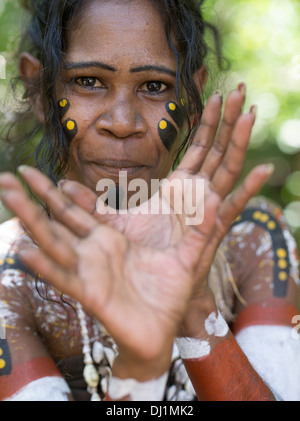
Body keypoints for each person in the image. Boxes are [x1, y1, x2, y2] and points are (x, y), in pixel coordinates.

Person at [0, 0, 299, 402]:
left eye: (155, 86)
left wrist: (194, 309)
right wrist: (140, 369)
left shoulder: (251, 240)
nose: (122, 123)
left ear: (191, 98)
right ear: (40, 91)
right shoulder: (11, 275)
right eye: (89, 81)